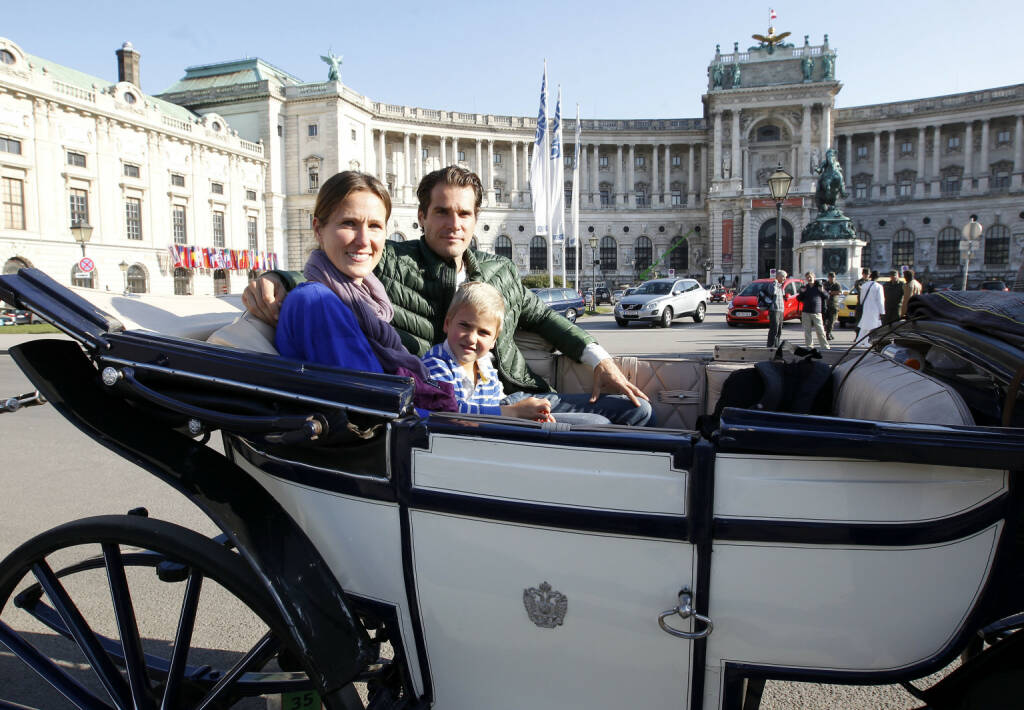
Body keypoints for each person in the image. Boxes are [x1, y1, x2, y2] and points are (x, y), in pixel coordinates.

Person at [245, 165, 652, 427]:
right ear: (421, 217)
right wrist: (279, 278)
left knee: (638, 409)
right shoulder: (390, 261)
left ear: (477, 220)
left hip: (510, 392)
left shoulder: (501, 272)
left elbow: (547, 319)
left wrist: (600, 360)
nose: (453, 223)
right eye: (441, 211)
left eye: (463, 214)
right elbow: (339, 271)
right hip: (452, 410)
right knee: (598, 433)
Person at [274, 170, 456, 413]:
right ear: (318, 229)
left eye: (374, 226)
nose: (363, 240)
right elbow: (371, 407)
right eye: (349, 223)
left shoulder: (368, 302)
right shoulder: (317, 303)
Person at [422, 281, 610, 424]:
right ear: (447, 324)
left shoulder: (485, 363)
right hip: (470, 447)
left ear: (494, 340)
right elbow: (448, 412)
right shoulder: (435, 364)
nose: (472, 338)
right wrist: (515, 413)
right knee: (595, 423)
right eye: (464, 326)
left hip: (494, 429)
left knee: (599, 421)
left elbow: (498, 402)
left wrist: (526, 415)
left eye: (483, 332)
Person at [796, 272, 830, 350]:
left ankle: (825, 347)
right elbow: (798, 299)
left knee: (820, 331)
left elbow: (827, 296)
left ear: (814, 277)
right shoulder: (805, 287)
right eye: (807, 277)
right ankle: (809, 347)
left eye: (810, 277)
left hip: (816, 312)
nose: (809, 278)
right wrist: (802, 292)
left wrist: (822, 291)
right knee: (807, 331)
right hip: (806, 312)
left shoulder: (818, 287)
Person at [759, 269, 788, 349]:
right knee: (774, 329)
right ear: (778, 277)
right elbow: (772, 292)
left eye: (785, 277)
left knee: (779, 330)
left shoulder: (781, 286)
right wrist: (775, 283)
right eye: (783, 277)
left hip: (781, 310)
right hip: (774, 310)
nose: (785, 279)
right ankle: (770, 346)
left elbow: (783, 297)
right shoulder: (773, 285)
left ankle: (776, 345)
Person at [856, 270, 885, 338]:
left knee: (865, 324)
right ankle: (870, 340)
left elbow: (861, 298)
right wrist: (882, 311)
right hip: (875, 308)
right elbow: (880, 300)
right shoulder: (878, 286)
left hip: (866, 307)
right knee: (874, 325)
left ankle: (860, 340)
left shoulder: (864, 285)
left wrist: (863, 304)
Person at [822, 271, 842, 340]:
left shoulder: (837, 285)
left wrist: (831, 292)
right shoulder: (825, 284)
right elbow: (822, 291)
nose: (831, 278)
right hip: (825, 305)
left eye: (833, 277)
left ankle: (828, 333)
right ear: (828, 277)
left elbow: (839, 292)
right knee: (824, 320)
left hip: (834, 305)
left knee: (832, 320)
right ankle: (827, 332)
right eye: (830, 277)